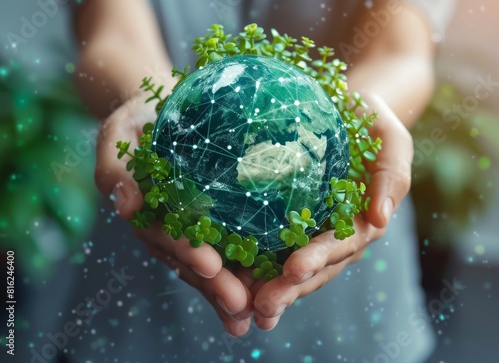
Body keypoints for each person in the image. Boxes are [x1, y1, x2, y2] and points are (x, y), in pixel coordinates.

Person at [71, 1, 455, 361]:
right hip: (142, 298)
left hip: (351, 315)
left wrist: (365, 106)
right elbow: (112, 32)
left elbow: (402, 48)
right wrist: (145, 97)